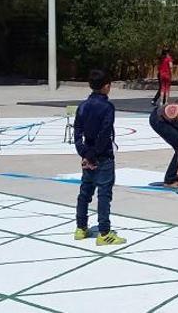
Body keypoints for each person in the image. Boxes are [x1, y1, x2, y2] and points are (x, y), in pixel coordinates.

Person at [73, 70, 126, 246]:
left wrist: (84, 153)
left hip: (87, 154)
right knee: (104, 194)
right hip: (102, 156)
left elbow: (77, 131)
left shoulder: (83, 106)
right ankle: (104, 232)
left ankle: (81, 227)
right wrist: (94, 154)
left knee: (85, 192)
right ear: (106, 86)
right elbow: (105, 132)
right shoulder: (107, 107)